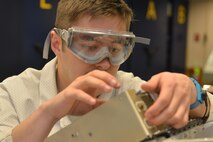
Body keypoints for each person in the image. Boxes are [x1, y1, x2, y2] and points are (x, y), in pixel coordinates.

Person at [0, 0, 211, 142]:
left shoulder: (130, 89)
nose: (104, 63)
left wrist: (194, 96)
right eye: (90, 48)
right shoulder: (13, 93)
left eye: (115, 49)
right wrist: (49, 114)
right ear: (57, 44)